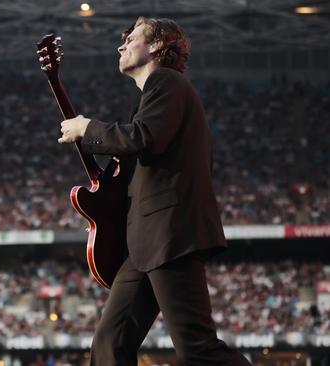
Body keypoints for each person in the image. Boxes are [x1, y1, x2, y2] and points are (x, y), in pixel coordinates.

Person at [57, 17, 253, 365]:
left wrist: (89, 129)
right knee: (109, 344)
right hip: (148, 242)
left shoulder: (167, 82)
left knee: (198, 349)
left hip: (170, 236)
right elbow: (143, 154)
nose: (122, 45)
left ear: (157, 47)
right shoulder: (158, 94)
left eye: (131, 38)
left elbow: (144, 137)